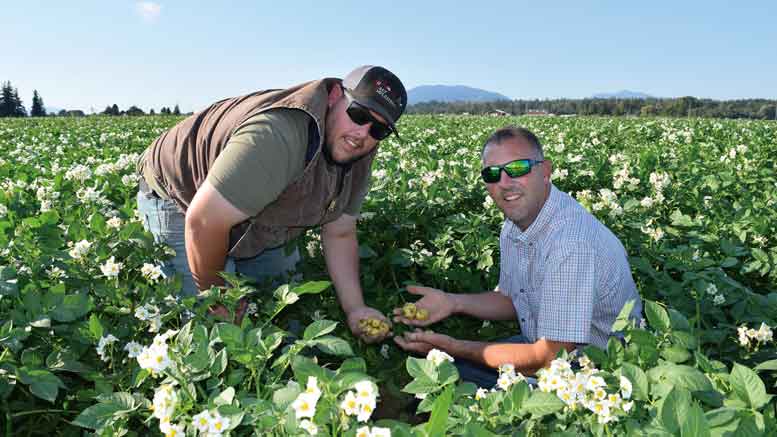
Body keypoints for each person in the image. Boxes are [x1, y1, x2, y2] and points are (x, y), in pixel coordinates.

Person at [136, 65, 406, 342]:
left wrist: (356, 308)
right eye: (358, 114)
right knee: (217, 333)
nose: (363, 133)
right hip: (183, 196)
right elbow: (204, 221)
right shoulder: (278, 135)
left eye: (379, 129)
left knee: (280, 309)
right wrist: (219, 300)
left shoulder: (360, 146)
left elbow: (340, 231)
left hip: (256, 203)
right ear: (335, 96)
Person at [393, 126, 642, 386]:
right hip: (543, 346)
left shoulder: (571, 243)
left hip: (595, 367)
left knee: (450, 377)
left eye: (518, 168)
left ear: (545, 171)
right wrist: (451, 302)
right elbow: (513, 299)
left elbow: (550, 357)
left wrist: (453, 347)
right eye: (492, 174)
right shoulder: (515, 225)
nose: (504, 183)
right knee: (449, 370)